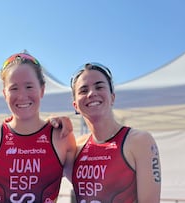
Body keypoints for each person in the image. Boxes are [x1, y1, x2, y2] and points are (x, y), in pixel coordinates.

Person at [0, 52, 76, 203]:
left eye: (29, 86)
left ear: (42, 90)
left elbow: (92, 185)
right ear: (5, 94)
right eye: (14, 88)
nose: (22, 96)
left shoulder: (60, 136)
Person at [68, 62, 161, 202]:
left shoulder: (139, 141)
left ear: (112, 97)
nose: (92, 93)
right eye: (83, 90)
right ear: (75, 105)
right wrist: (51, 124)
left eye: (99, 87)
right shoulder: (75, 147)